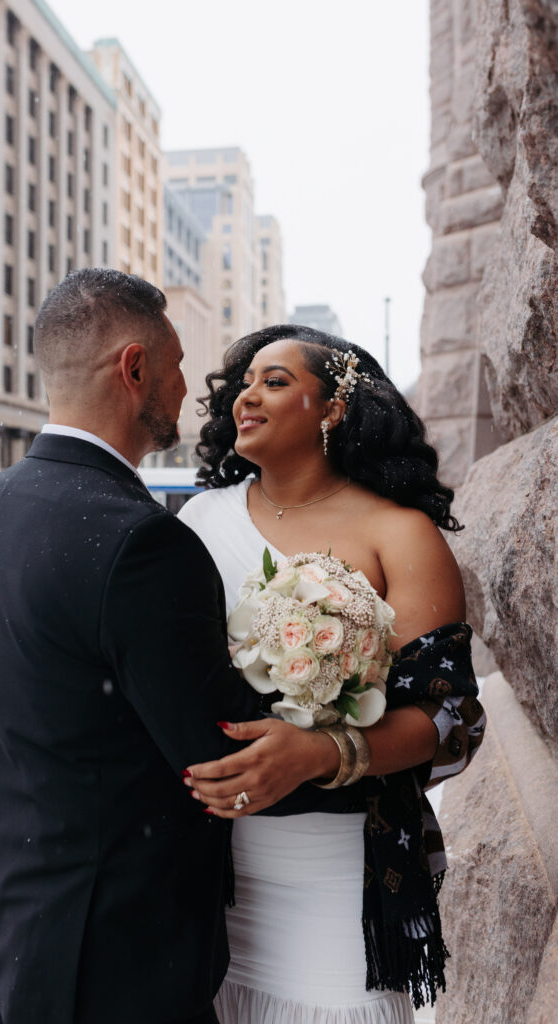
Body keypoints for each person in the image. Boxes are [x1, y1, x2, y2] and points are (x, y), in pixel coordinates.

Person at [0, 271, 370, 1024]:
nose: (191, 391)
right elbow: (226, 760)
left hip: (19, 921)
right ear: (133, 367)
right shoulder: (137, 541)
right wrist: (385, 747)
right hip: (116, 957)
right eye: (176, 366)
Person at [177, 324, 486, 1023]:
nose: (247, 396)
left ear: (335, 408)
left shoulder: (398, 534)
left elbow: (451, 719)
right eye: (243, 383)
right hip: (207, 868)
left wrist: (326, 751)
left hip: (337, 875)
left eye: (275, 381)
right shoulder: (197, 521)